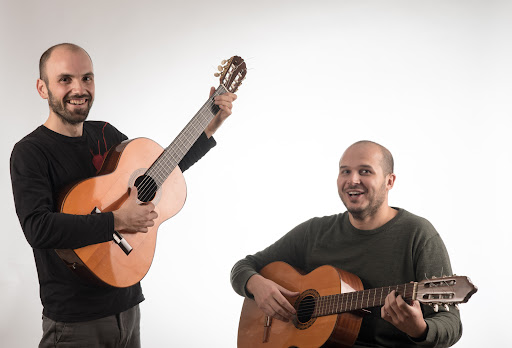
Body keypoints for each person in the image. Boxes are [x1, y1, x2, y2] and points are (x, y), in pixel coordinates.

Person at [10, 43, 237, 347]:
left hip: (127, 306)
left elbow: (160, 173)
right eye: (65, 79)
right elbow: (38, 228)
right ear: (42, 88)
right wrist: (117, 220)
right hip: (74, 320)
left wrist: (208, 129)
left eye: (87, 78)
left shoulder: (106, 134)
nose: (79, 88)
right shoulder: (31, 152)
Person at [231, 140, 462, 347]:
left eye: (365, 171)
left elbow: (450, 322)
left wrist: (420, 330)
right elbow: (244, 267)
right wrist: (256, 285)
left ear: (389, 181)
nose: (353, 180)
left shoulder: (418, 234)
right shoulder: (315, 231)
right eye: (345, 171)